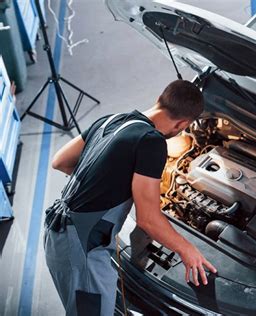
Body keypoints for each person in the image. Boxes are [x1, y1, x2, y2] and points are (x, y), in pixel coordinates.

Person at [43, 80, 217, 315]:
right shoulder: (151, 142)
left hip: (57, 232)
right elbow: (148, 219)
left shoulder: (110, 119)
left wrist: (105, 180)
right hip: (83, 249)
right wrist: (187, 250)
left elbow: (60, 161)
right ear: (183, 124)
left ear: (161, 99)